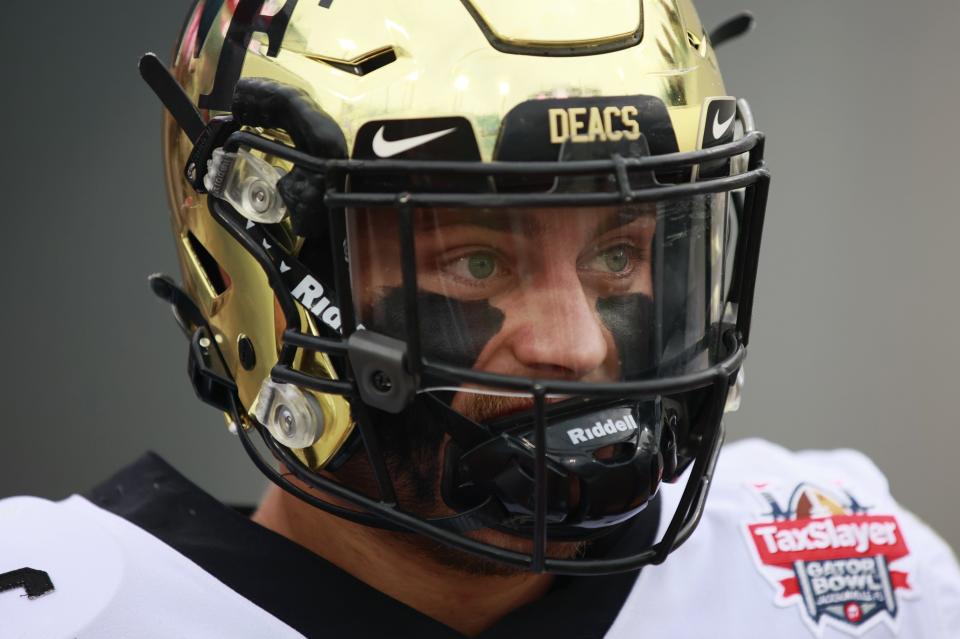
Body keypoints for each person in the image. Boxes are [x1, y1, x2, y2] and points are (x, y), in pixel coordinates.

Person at [2, 1, 958, 637]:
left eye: (617, 253)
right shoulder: (70, 606)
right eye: (475, 260)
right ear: (259, 262)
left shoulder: (842, 573)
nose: (577, 344)